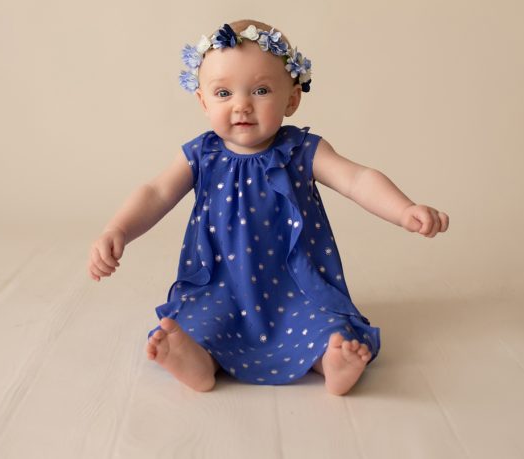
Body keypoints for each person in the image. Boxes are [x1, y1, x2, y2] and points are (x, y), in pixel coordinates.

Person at [88, 19, 449, 395]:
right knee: (198, 323)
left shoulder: (302, 150)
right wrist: (118, 229)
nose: (242, 105)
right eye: (224, 93)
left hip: (296, 289)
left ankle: (332, 361)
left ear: (292, 99)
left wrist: (404, 209)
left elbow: (356, 179)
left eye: (260, 90)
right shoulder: (202, 155)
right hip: (221, 288)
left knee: (325, 325)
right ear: (202, 101)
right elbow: (156, 193)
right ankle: (196, 361)